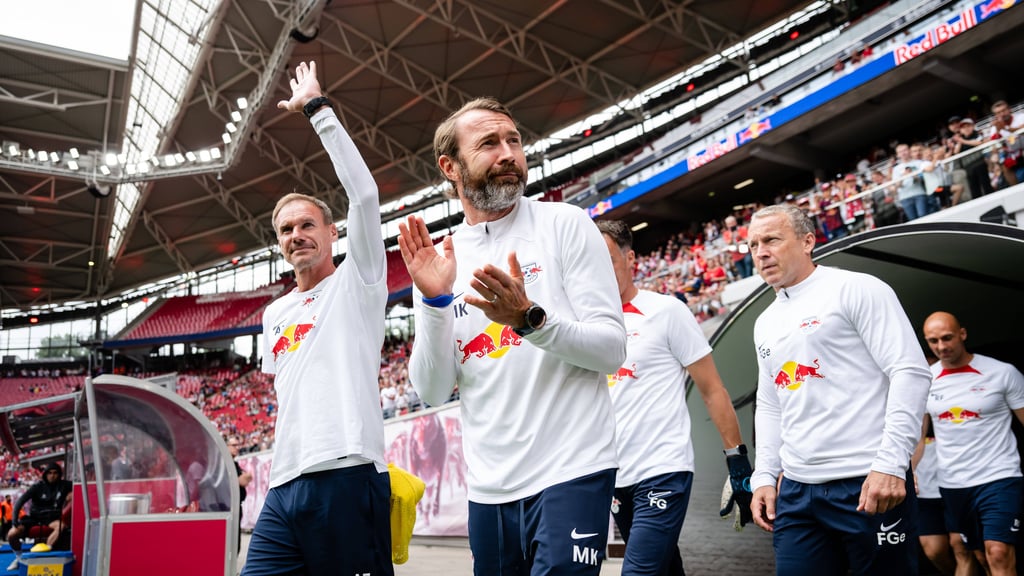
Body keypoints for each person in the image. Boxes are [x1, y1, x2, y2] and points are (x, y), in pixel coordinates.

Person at [398, 97, 626, 575]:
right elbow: (434, 390)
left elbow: (611, 349)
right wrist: (437, 302)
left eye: (514, 141)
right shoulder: (439, 261)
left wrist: (530, 321)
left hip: (574, 468)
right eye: (488, 144)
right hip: (490, 490)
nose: (508, 154)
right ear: (450, 167)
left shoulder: (564, 224)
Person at [241, 61, 392, 576]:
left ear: (332, 233)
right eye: (285, 230)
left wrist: (317, 111)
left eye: (307, 224)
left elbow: (366, 196)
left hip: (347, 474)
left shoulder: (359, 283)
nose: (295, 235)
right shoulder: (273, 313)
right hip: (284, 486)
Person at [746, 204, 932, 575]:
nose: (761, 252)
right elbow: (769, 406)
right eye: (752, 245)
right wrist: (764, 476)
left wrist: (892, 464)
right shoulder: (764, 322)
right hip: (797, 492)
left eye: (771, 240)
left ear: (808, 241)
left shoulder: (856, 289)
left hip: (868, 482)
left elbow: (910, 372)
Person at [597, 219, 753, 576]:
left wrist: (737, 461)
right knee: (665, 568)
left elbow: (712, 389)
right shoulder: (584, 325)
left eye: (608, 259)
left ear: (631, 259)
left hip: (663, 469)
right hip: (614, 476)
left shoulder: (667, 311)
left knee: (638, 571)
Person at [920, 311, 1024, 576]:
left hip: (999, 475)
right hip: (954, 482)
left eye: (947, 338)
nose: (941, 347)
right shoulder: (924, 380)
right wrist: (905, 471)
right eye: (933, 341)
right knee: (979, 556)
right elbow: (916, 436)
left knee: (998, 551)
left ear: (962, 334)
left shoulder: (1002, 373)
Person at [6, 463, 73, 570]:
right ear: (45, 474)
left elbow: (82, 485)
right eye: (50, 473)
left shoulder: (65, 485)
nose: (52, 475)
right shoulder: (37, 487)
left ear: (59, 474)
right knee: (12, 534)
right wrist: (14, 520)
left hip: (52, 518)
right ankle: (19, 558)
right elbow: (20, 502)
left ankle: (45, 552)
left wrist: (73, 493)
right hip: (34, 518)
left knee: (61, 526)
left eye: (55, 473)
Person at [228, 435, 252, 553]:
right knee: (231, 540)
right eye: (234, 445)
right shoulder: (226, 463)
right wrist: (244, 476)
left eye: (238, 445)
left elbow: (246, 478)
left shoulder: (234, 463)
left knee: (235, 540)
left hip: (237, 505)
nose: (237, 448)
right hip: (229, 506)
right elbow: (241, 480)